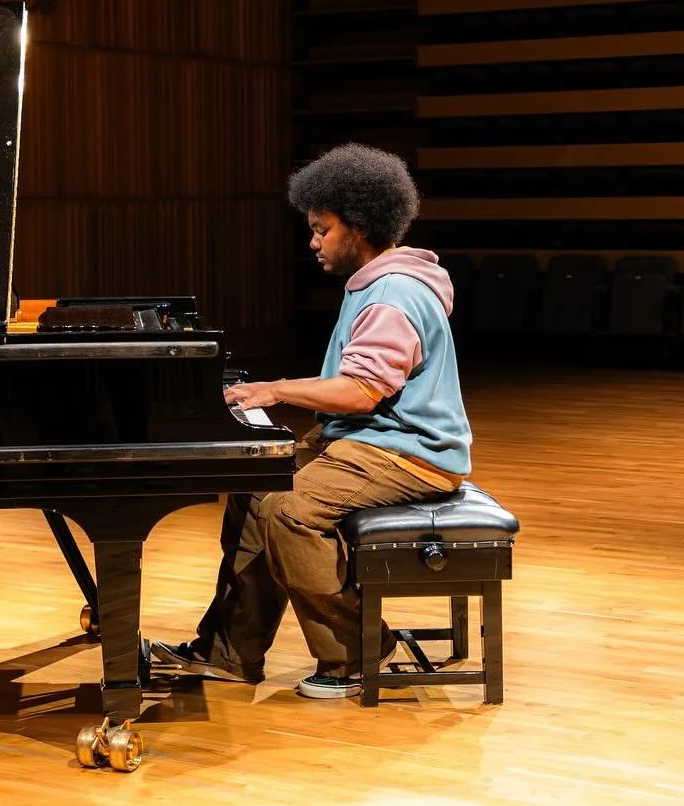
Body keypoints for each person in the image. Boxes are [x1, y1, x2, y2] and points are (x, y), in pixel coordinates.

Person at [150, 142, 474, 699]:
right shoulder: (378, 284)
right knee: (256, 491)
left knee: (290, 511)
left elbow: (361, 391)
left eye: (322, 229)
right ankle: (229, 654)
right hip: (371, 445)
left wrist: (274, 390)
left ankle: (359, 653)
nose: (313, 242)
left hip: (409, 455)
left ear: (359, 225)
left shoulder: (393, 294)